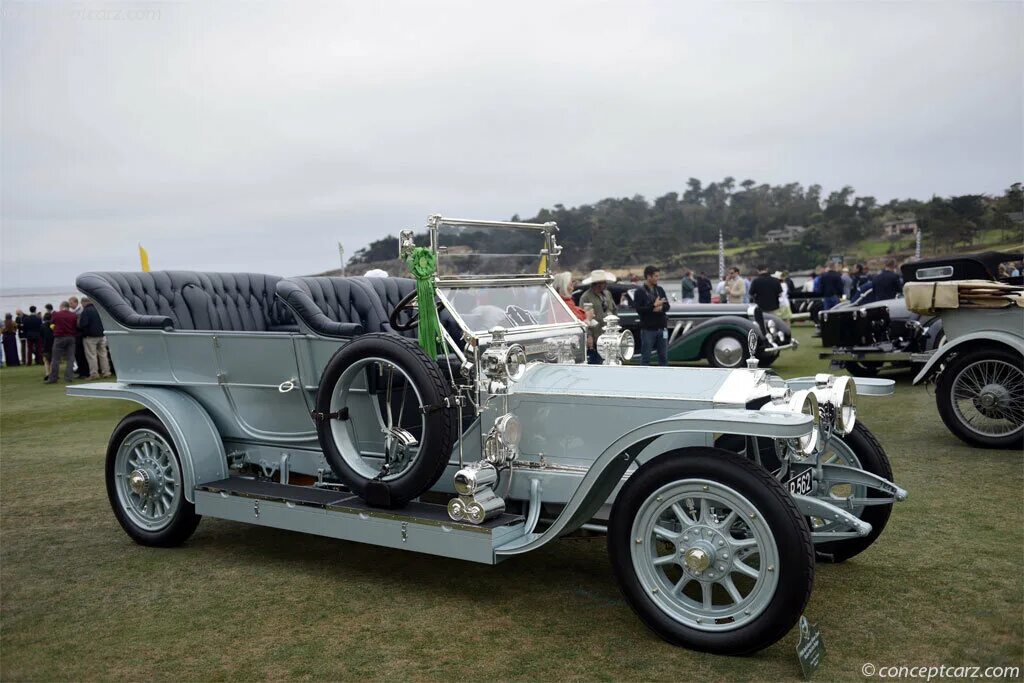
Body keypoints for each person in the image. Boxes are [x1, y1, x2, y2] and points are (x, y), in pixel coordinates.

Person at [633, 265, 670, 366]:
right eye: (656, 276)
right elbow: (639, 310)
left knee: (664, 357)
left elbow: (667, 306)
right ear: (649, 277)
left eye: (658, 276)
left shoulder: (660, 289)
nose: (658, 278)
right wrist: (653, 306)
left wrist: (661, 308)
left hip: (662, 328)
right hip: (648, 329)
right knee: (646, 357)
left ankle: (665, 377)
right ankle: (644, 378)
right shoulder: (639, 292)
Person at [579, 269, 617, 364]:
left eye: (604, 282)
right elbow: (585, 318)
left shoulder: (607, 294)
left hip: (610, 335)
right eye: (601, 283)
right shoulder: (586, 297)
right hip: (596, 336)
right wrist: (589, 336)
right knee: (596, 361)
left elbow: (614, 309)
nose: (604, 285)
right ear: (595, 284)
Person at [77, 298, 112, 378]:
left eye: (81, 303)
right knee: (103, 355)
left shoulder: (85, 311)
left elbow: (83, 324)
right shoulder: (99, 310)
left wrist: (84, 333)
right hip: (101, 335)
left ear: (84, 302)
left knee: (92, 356)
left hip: (90, 337)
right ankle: (106, 372)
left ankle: (94, 374)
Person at [46, 301, 78, 384]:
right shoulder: (74, 315)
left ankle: (53, 378)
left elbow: (52, 323)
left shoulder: (56, 314)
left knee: (56, 359)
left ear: (62, 306)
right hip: (71, 337)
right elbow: (76, 326)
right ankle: (69, 377)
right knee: (70, 358)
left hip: (59, 337)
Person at [67, 296, 90, 379]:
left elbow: (79, 324)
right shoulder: (75, 311)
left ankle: (83, 372)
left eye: (71, 303)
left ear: (76, 302)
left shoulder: (79, 311)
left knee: (80, 354)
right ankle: (81, 370)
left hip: (79, 335)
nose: (70, 305)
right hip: (77, 335)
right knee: (78, 354)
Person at [41, 310, 55, 377]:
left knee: (46, 360)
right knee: (52, 359)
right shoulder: (53, 326)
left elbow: (40, 336)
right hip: (53, 344)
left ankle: (47, 373)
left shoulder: (42, 326)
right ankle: (52, 373)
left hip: (45, 344)